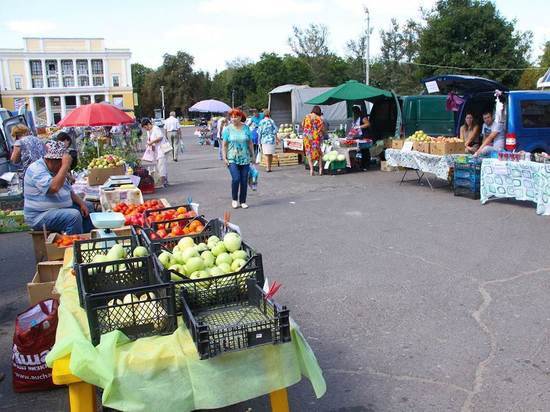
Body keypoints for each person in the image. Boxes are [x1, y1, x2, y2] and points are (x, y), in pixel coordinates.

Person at [24, 140, 93, 234]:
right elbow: (53, 188)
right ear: (49, 160)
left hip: (57, 209)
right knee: (74, 216)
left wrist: (82, 204)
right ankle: (73, 245)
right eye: (60, 163)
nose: (62, 166)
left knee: (88, 206)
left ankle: (87, 240)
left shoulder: (55, 170)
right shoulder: (36, 169)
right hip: (40, 215)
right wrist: (64, 166)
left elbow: (69, 191)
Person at [222, 108, 255, 209]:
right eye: (231, 117)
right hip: (232, 158)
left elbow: (250, 142)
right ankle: (234, 199)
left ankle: (243, 201)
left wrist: (253, 155)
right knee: (236, 178)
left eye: (236, 117)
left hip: (245, 158)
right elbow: (224, 145)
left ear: (240, 117)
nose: (233, 119)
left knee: (244, 180)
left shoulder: (246, 128)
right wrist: (224, 157)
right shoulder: (227, 129)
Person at [141, 118, 169, 187]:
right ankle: (164, 181)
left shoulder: (156, 128)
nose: (146, 129)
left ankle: (163, 182)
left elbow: (160, 137)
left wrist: (151, 142)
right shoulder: (148, 131)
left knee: (161, 166)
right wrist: (149, 145)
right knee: (159, 166)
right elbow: (150, 140)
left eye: (145, 127)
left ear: (148, 124)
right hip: (156, 151)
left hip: (161, 149)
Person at [302, 105, 325, 176]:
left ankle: (311, 169)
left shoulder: (306, 116)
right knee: (318, 152)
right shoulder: (319, 119)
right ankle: (320, 169)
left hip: (307, 137)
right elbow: (322, 129)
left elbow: (302, 124)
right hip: (315, 137)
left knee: (308, 152)